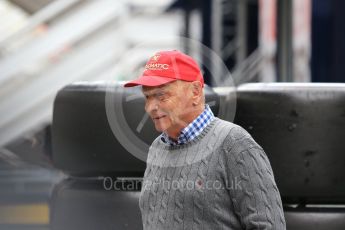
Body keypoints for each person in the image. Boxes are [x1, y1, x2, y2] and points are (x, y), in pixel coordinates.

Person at [124, 50, 286, 230]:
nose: (150, 107)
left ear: (195, 92)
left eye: (162, 96)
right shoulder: (157, 148)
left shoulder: (235, 144)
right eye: (147, 97)